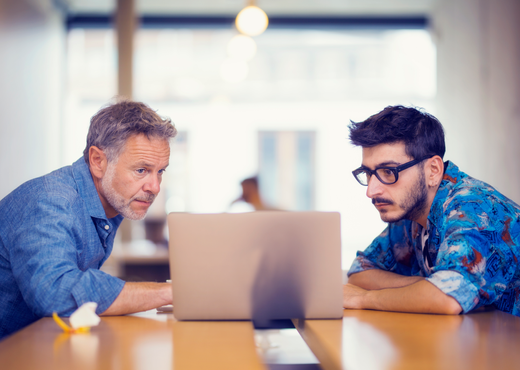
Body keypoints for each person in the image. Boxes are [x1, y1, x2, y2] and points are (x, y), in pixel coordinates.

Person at [0, 99, 177, 340]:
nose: (155, 187)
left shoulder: (109, 205)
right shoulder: (51, 201)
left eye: (160, 171)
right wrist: (172, 292)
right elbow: (54, 293)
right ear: (97, 161)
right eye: (141, 170)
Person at [343, 105, 520, 317]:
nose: (371, 191)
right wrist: (423, 285)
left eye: (388, 172)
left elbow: (448, 298)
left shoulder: (474, 208)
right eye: (368, 173)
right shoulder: (411, 212)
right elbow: (361, 270)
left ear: (433, 171)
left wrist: (363, 299)